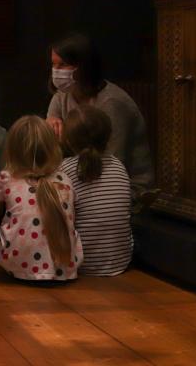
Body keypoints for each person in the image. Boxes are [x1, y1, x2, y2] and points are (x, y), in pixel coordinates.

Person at [46, 33, 154, 188]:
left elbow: (113, 161)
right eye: (53, 64)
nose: (56, 71)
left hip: (123, 184)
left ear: (83, 66)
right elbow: (50, 151)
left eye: (62, 65)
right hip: (82, 176)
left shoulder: (112, 103)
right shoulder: (61, 96)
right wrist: (48, 130)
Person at [0, 115, 83, 282]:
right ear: (53, 148)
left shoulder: (6, 179)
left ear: (12, 151)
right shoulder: (64, 180)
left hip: (17, 268)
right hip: (66, 269)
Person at [60, 106, 132, 276]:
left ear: (68, 141)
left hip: (81, 264)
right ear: (108, 136)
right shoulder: (119, 166)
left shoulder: (65, 170)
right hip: (120, 262)